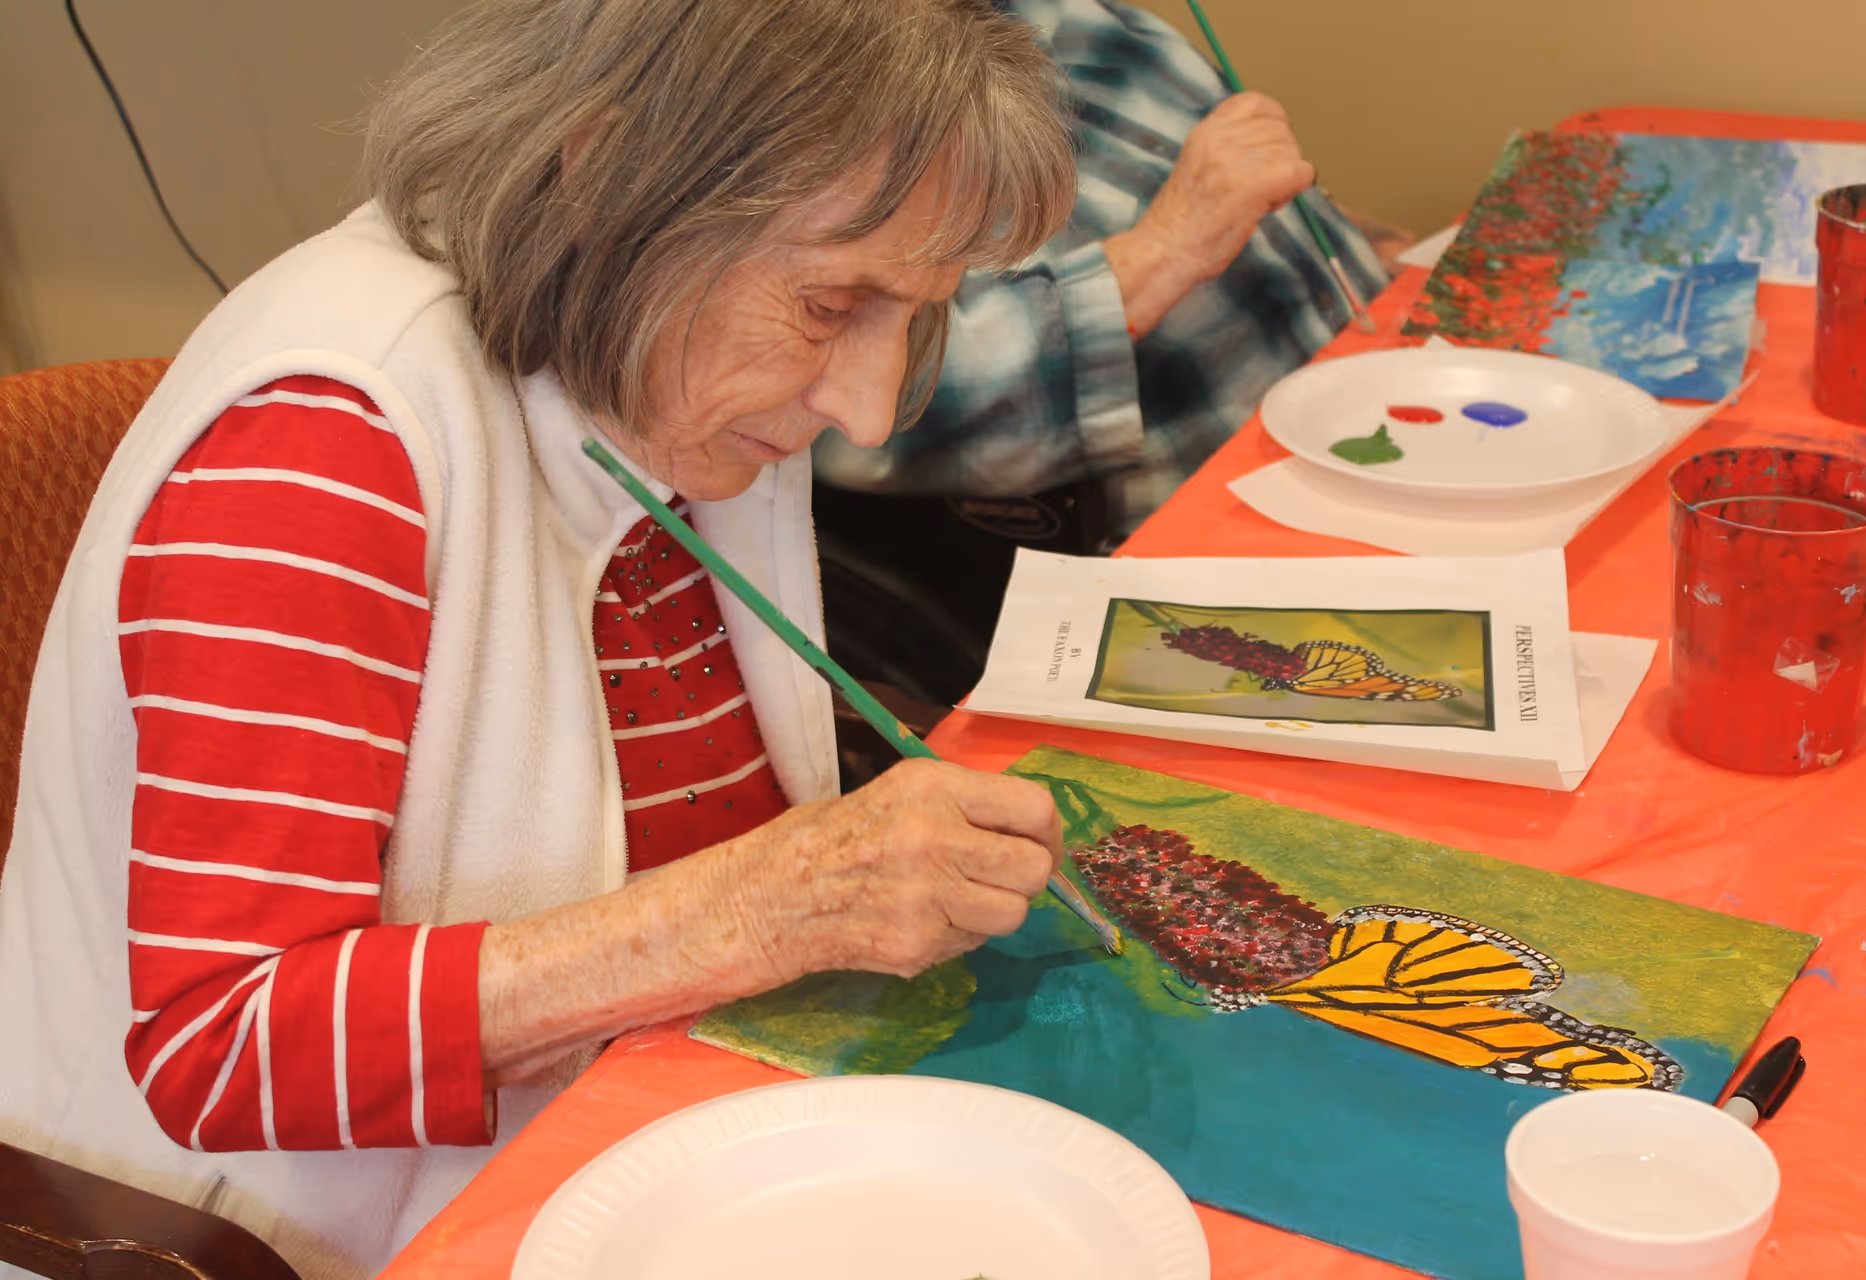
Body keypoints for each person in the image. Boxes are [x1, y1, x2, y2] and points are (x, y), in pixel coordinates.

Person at [0, 3, 1079, 1277]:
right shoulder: (323, 443)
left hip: (643, 1121)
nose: (868, 406)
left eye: (917, 312)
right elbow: (220, 1045)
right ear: (605, 177)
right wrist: (744, 913)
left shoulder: (666, 359)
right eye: (835, 303)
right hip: (289, 1234)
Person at [808, 0, 1401, 701]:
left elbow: (1246, 183)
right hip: (1222, 555)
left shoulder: (1070, 16)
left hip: (1380, 416)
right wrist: (1167, 249)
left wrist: (1366, 250)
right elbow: (865, 410)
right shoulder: (823, 91)